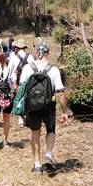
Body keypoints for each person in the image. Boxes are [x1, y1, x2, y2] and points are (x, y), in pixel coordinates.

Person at [19, 41, 69, 173]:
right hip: (49, 106)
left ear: (37, 53)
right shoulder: (53, 70)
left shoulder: (27, 68)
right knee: (50, 130)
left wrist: (20, 110)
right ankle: (48, 155)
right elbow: (60, 92)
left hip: (32, 106)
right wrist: (65, 111)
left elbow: (21, 89)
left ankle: (36, 165)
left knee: (35, 132)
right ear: (49, 53)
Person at [8, 38, 36, 128]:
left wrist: (12, 84)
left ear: (17, 47)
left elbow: (9, 71)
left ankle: (21, 118)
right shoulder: (30, 57)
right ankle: (29, 117)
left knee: (19, 98)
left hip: (17, 81)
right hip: (30, 81)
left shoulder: (13, 57)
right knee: (29, 98)